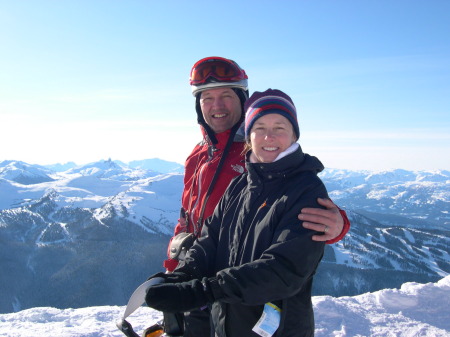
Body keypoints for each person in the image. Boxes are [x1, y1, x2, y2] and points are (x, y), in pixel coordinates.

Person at [161, 57, 350, 337]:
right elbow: (190, 220)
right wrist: (176, 274)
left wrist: (339, 224)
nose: (217, 106)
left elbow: (302, 204)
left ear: (242, 99)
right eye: (207, 98)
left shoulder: (259, 153)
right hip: (203, 288)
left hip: (240, 292)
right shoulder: (200, 156)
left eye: (226, 95)